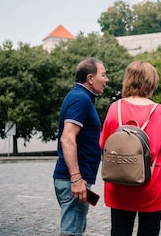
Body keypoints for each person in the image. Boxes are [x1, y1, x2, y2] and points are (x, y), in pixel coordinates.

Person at [99, 61, 161, 236]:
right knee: (149, 231)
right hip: (151, 182)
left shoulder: (114, 108)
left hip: (119, 181)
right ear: (152, 82)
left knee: (120, 231)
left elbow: (104, 145)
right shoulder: (158, 110)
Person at [53, 57, 109, 236]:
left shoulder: (79, 96)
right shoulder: (81, 99)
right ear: (90, 78)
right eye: (103, 74)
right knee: (70, 232)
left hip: (73, 179)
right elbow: (67, 138)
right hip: (74, 181)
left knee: (77, 227)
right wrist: (76, 179)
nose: (106, 79)